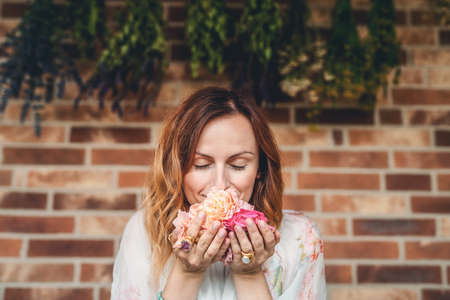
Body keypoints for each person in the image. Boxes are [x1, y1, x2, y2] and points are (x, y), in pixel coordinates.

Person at [111, 87, 326, 300]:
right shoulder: (144, 233)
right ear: (177, 169)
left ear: (260, 169)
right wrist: (187, 273)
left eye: (238, 165)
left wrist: (249, 275)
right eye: (201, 164)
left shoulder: (300, 238)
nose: (220, 185)